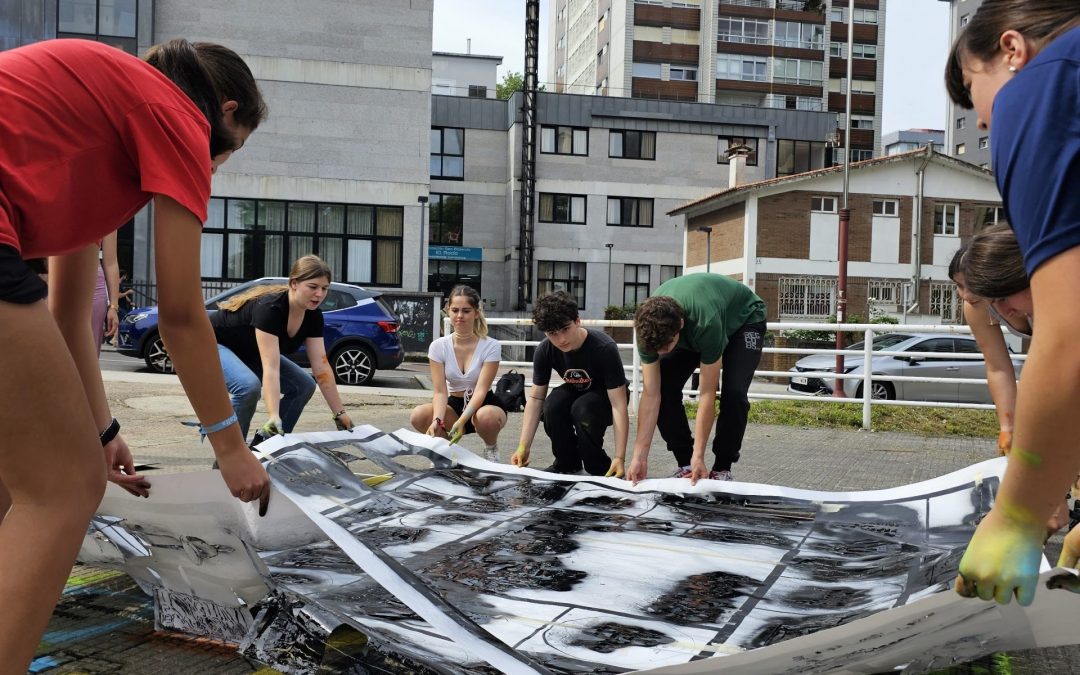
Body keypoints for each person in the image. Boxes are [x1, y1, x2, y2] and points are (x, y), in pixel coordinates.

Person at [0, 37, 270, 671]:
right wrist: (230, 448)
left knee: (17, 482)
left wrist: (102, 429)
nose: (218, 165)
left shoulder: (104, 111)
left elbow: (70, 314)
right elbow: (180, 312)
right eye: (232, 148)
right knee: (64, 491)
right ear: (224, 112)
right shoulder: (175, 113)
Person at [944, 0, 1080, 606]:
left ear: (1011, 50)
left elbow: (1072, 333)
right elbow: (1005, 368)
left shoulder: (1042, 90)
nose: (979, 122)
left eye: (974, 89)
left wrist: (1018, 515)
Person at [949, 227, 1069, 536]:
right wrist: (1009, 428)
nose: (967, 297)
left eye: (999, 297)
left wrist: (1047, 476)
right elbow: (998, 367)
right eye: (960, 288)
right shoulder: (981, 303)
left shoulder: (1060, 291)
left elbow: (1058, 382)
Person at [627, 273, 766, 485]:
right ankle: (686, 464)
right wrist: (639, 456)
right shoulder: (646, 329)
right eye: (658, 349)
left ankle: (722, 466)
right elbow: (651, 393)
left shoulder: (705, 323)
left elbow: (707, 394)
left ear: (680, 325)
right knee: (664, 388)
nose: (662, 352)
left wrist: (699, 454)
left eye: (667, 346)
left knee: (734, 392)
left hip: (743, 320)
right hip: (694, 325)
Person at [210, 255, 355, 445]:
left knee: (303, 385)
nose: (319, 294)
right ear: (294, 283)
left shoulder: (313, 316)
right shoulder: (270, 309)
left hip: (249, 351)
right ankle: (231, 453)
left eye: (324, 288)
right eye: (313, 287)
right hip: (212, 344)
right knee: (248, 387)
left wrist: (339, 412)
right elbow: (271, 368)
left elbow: (321, 367)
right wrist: (273, 414)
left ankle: (266, 445)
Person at [510, 290, 629, 476]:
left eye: (565, 329)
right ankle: (567, 462)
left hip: (606, 396)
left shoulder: (604, 347)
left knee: (582, 408)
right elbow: (535, 399)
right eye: (552, 334)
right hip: (576, 389)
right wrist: (523, 446)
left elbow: (619, 405)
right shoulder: (545, 349)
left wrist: (619, 457)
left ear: (577, 321)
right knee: (551, 405)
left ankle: (600, 466)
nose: (561, 340)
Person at [410, 285, 507, 461]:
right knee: (419, 415)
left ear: (476, 313)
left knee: (486, 417)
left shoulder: (491, 345)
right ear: (448, 311)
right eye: (455, 310)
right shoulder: (438, 346)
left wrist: (462, 421)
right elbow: (440, 392)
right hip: (453, 403)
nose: (460, 316)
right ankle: (446, 453)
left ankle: (491, 448)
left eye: (466, 311)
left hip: (484, 403)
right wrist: (437, 421)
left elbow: (480, 390)